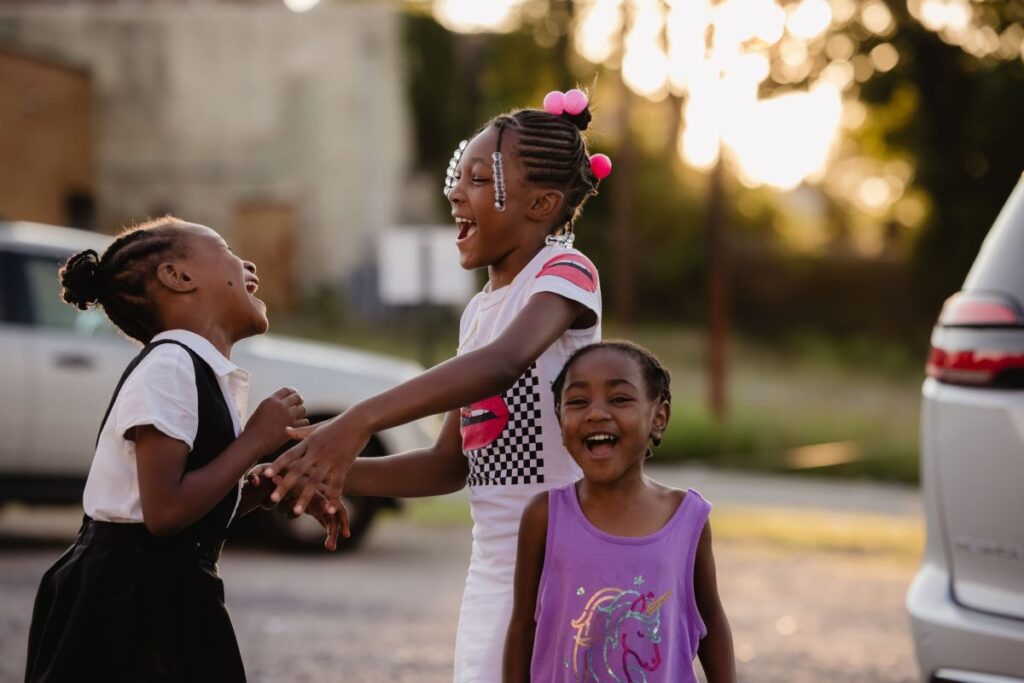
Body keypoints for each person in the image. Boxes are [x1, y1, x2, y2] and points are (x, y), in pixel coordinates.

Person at [261, 88, 613, 680]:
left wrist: (357, 421)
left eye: (478, 180)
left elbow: (503, 363)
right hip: (494, 574)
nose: (455, 192)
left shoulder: (566, 274)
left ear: (543, 203)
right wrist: (327, 470)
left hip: (565, 570)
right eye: (458, 175)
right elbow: (451, 464)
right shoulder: (478, 312)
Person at [25, 216, 344, 683]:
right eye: (227, 249)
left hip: (163, 591)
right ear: (178, 277)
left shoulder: (194, 370)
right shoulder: (170, 366)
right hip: (125, 607)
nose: (247, 262)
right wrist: (255, 440)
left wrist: (263, 488)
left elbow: (183, 511)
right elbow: (164, 512)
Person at [504, 341, 736, 683]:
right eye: (578, 401)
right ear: (560, 420)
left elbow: (711, 623)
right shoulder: (545, 515)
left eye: (619, 399)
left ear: (659, 417)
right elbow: (522, 627)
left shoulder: (688, 518)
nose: (596, 413)